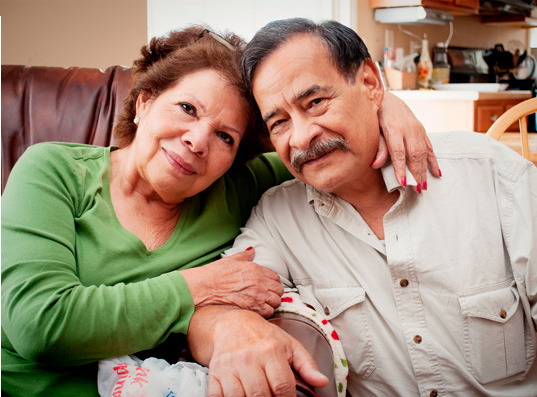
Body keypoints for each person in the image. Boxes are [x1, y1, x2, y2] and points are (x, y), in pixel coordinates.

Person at [1, 25, 438, 396]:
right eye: (187, 108)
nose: (197, 141)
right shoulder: (53, 169)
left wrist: (383, 106)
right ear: (144, 102)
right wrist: (197, 286)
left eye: (226, 136)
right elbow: (40, 324)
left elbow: (312, 140)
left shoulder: (236, 187)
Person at [186, 18, 537, 397]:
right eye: (280, 123)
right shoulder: (279, 218)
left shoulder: (491, 176)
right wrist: (230, 327)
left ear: (370, 84)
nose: (302, 136)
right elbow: (215, 305)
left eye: (316, 103)